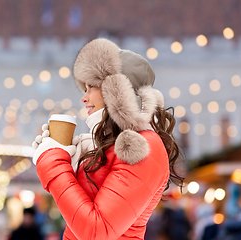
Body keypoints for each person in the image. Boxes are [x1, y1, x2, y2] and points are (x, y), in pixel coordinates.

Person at [32, 38, 184, 240]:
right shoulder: (108, 145)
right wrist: (72, 160)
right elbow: (81, 215)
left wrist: (51, 161)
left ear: (116, 91)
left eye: (90, 88)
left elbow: (96, 231)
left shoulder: (143, 146)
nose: (84, 98)